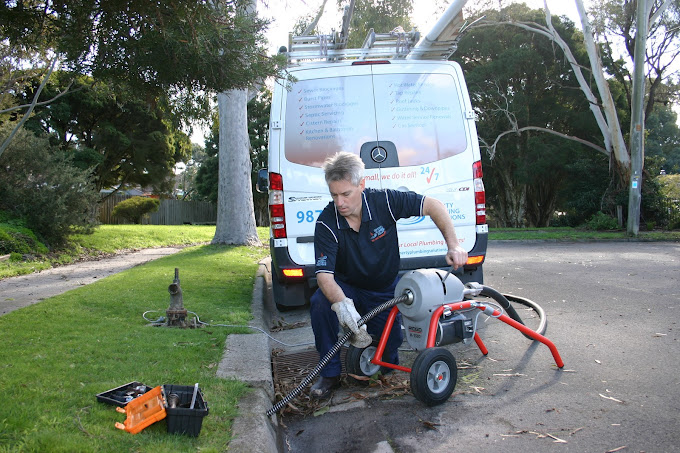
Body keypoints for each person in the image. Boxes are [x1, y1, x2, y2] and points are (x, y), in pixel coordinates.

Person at [309, 151, 468, 398]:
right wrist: (343, 307)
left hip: (384, 291)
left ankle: (379, 358)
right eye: (334, 195)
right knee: (320, 302)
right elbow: (325, 278)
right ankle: (329, 375)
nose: (339, 202)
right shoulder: (327, 223)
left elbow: (434, 206)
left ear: (361, 184)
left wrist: (454, 244)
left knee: (388, 358)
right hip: (347, 288)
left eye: (346, 194)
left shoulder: (385, 202)